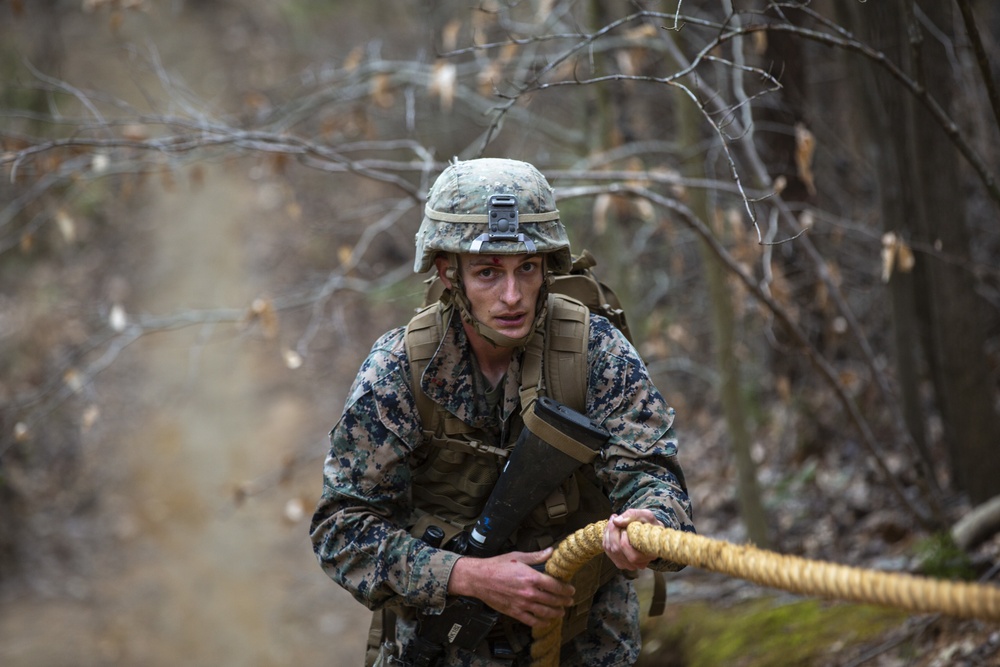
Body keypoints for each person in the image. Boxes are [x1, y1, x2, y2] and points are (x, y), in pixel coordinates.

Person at [310, 157, 695, 666]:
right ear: (450, 273)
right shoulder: (398, 371)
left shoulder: (594, 351)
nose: (511, 296)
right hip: (440, 647)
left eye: (526, 269)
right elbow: (342, 529)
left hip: (584, 643)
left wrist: (648, 526)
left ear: (546, 269)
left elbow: (657, 482)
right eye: (488, 273)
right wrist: (468, 576)